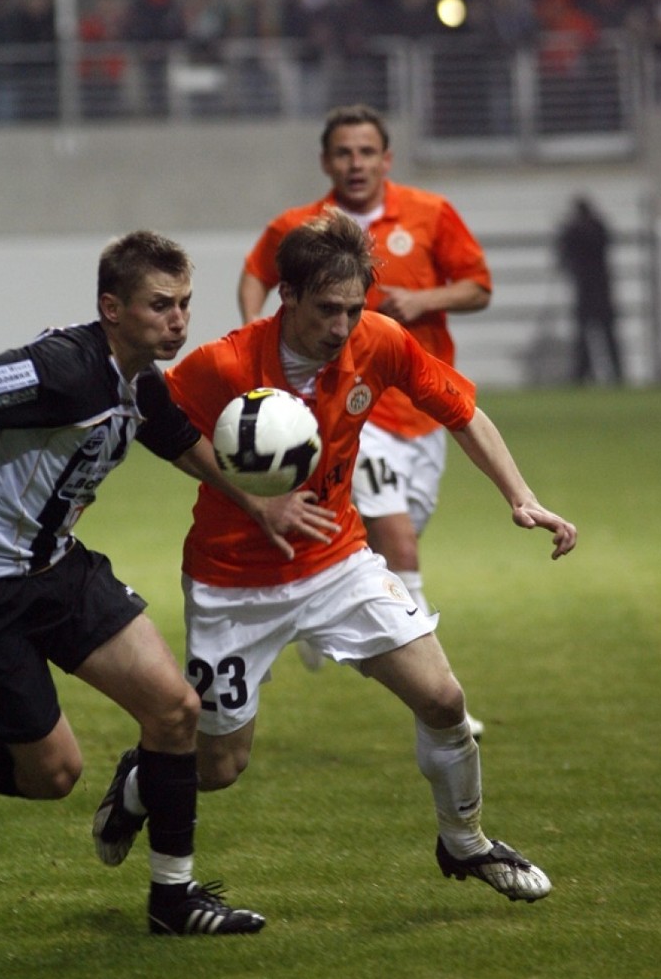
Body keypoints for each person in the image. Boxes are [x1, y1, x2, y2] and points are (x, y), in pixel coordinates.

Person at [94, 211, 577, 908]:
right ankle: (142, 781)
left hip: (338, 563)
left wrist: (520, 496)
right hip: (234, 583)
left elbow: (462, 411)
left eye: (354, 308)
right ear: (285, 296)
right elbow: (151, 414)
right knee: (222, 765)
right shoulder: (227, 363)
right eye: (327, 309)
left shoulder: (378, 342)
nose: (343, 325)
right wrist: (249, 497)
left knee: (443, 699)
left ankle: (465, 842)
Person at [0, 231, 278, 937]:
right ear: (111, 307)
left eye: (185, 303)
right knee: (53, 775)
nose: (179, 320)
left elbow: (174, 436)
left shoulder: (140, 379)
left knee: (174, 711)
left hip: (58, 571)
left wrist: (254, 502)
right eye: (160, 304)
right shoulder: (63, 366)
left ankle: (174, 900)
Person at [237, 103, 492, 734]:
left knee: (391, 534)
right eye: (343, 153)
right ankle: (437, 695)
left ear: (387, 159)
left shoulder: (431, 215)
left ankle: (314, 600)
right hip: (348, 408)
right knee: (397, 537)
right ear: (326, 161)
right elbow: (254, 274)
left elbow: (479, 286)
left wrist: (426, 298)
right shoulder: (299, 226)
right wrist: (252, 337)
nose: (355, 164)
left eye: (366, 152)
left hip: (421, 412)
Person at [555, 196, 624, 384]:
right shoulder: (598, 227)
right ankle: (612, 372)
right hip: (601, 290)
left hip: (587, 290)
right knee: (605, 335)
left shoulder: (578, 230)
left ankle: (583, 373)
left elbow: (564, 255)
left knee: (586, 336)